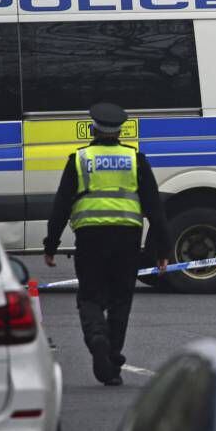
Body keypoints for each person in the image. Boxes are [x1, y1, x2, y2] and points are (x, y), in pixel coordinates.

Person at [43, 102, 171, 386]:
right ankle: (112, 358)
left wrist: (50, 245)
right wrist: (163, 250)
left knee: (89, 297)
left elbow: (61, 206)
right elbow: (156, 210)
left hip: (90, 239)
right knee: (120, 300)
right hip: (127, 239)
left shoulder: (80, 159)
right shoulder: (135, 159)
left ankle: (97, 339)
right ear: (120, 131)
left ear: (93, 128)